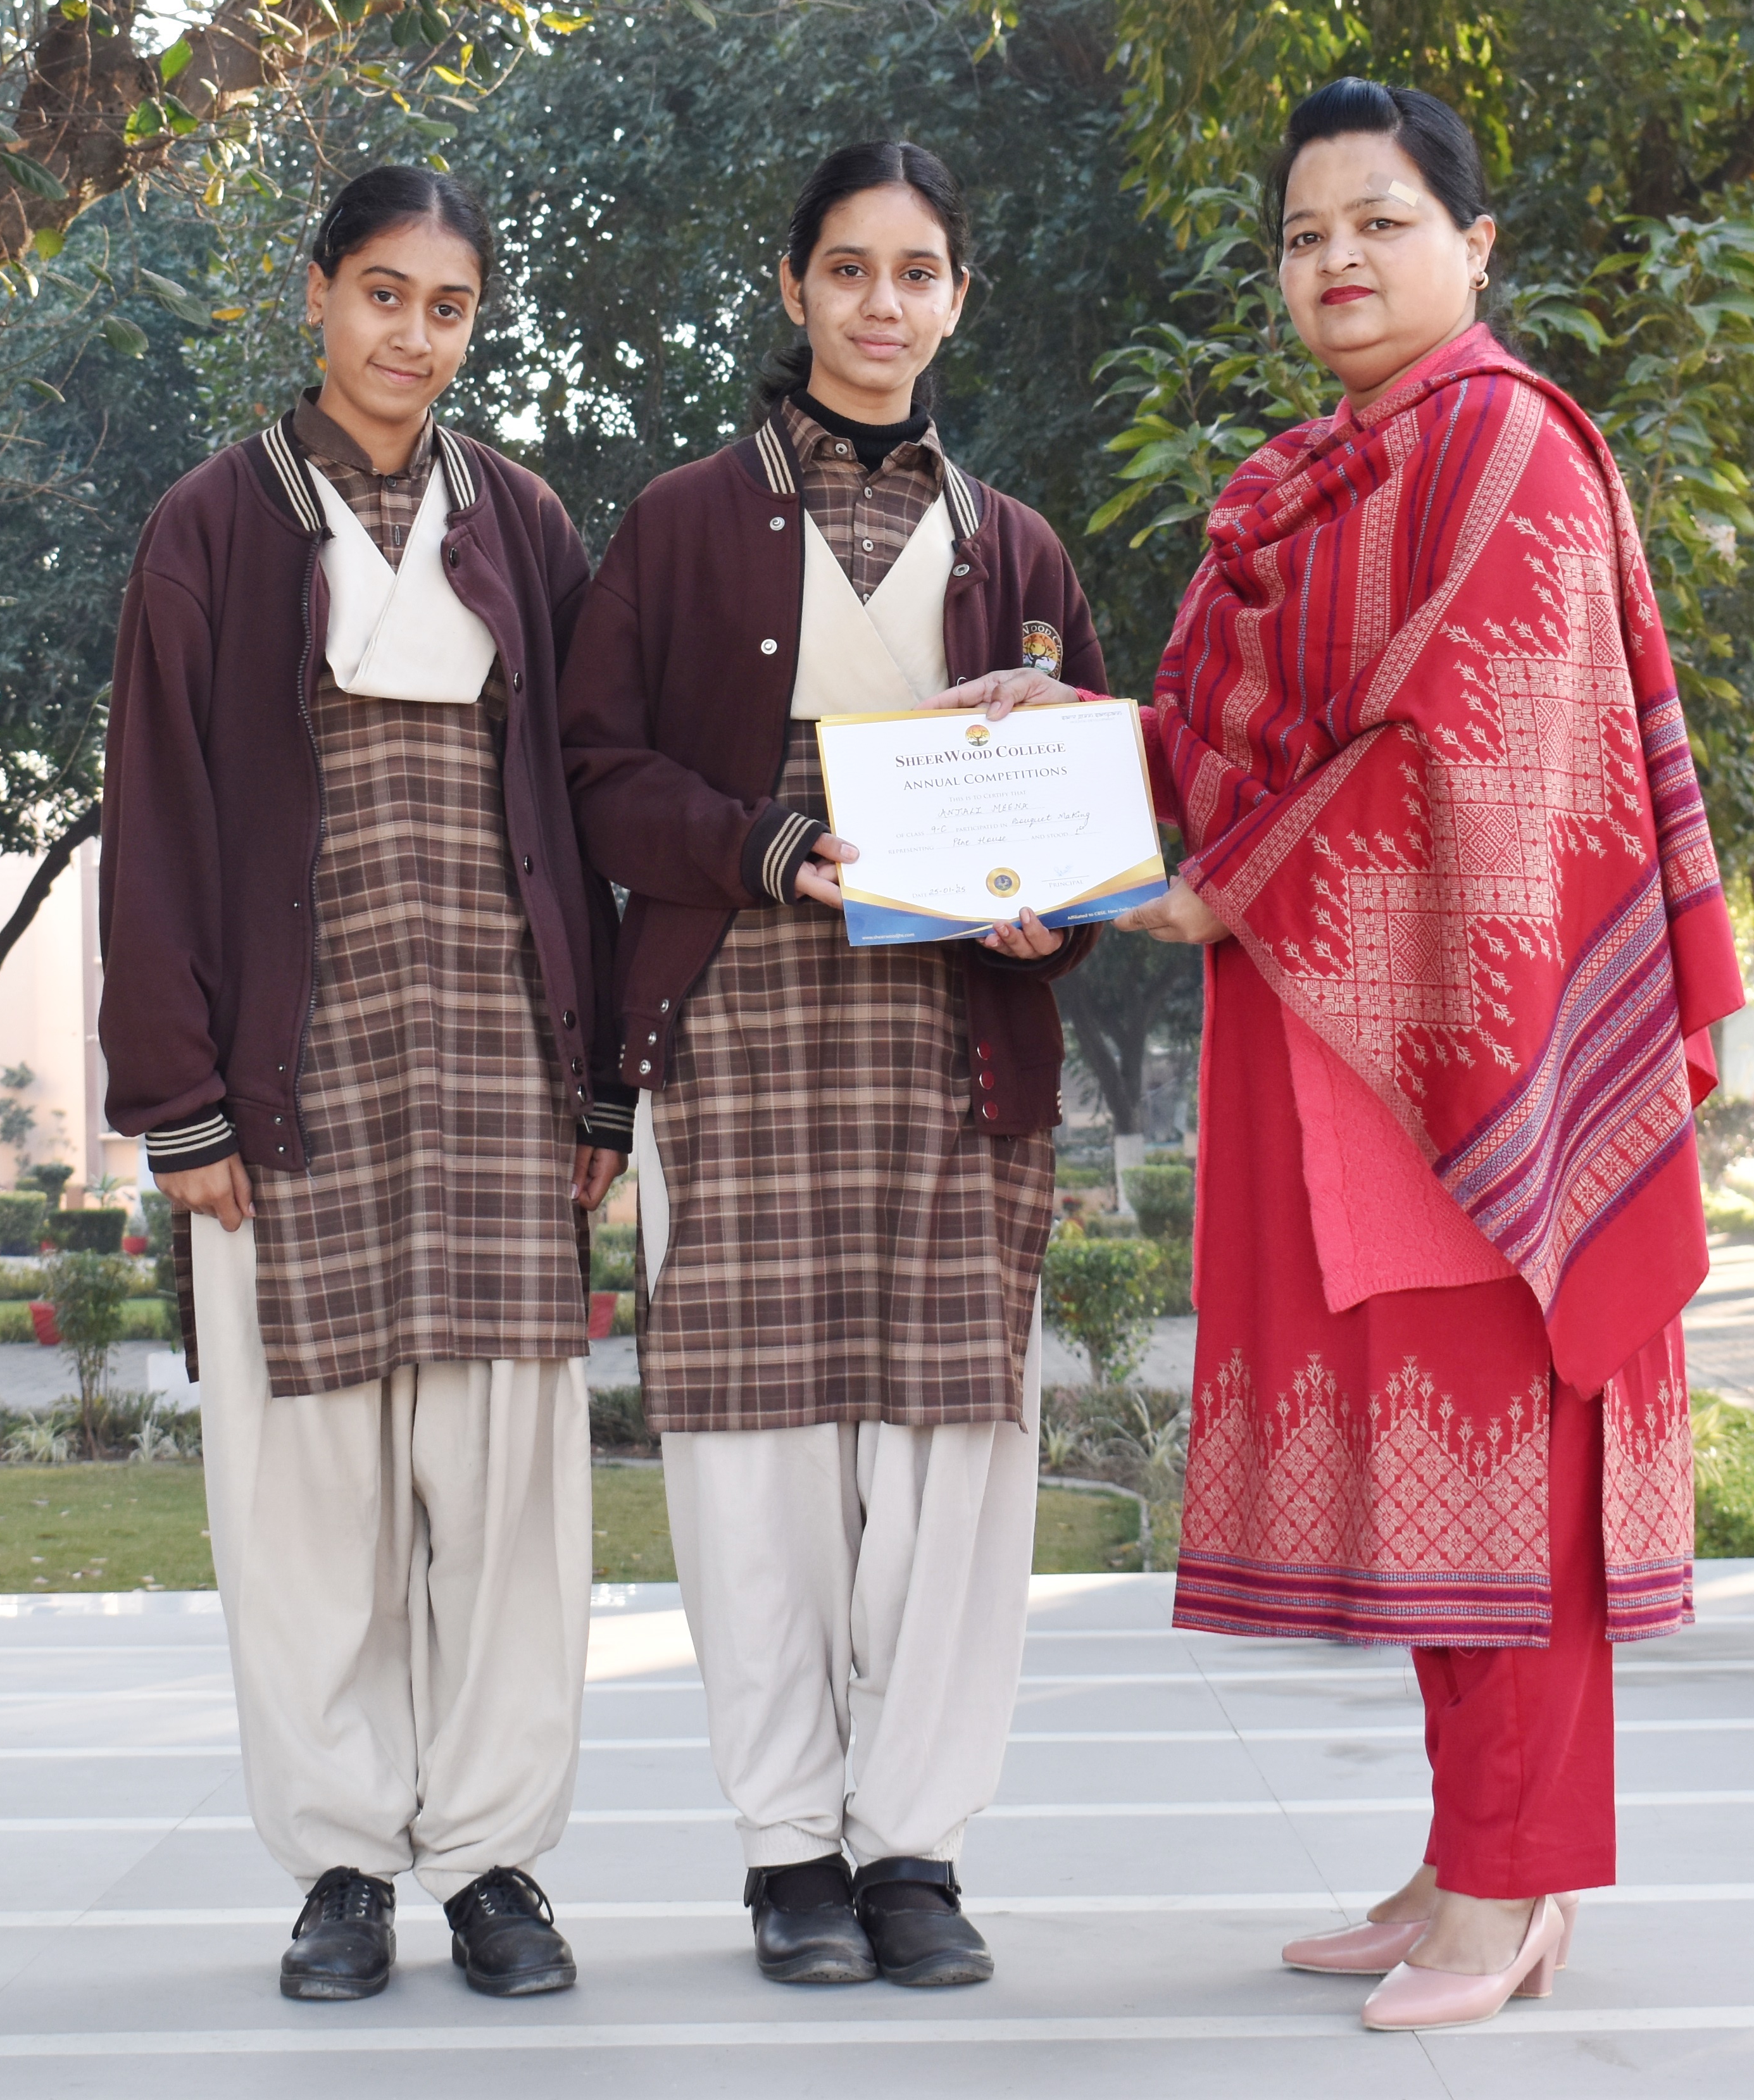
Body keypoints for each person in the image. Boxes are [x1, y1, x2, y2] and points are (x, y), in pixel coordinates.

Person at [1107, 79, 1738, 2027]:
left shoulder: (1512, 454)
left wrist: (1235, 884)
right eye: (1304, 234)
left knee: (1506, 1468)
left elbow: (1470, 745)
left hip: (1484, 1055)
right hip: (1330, 1041)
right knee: (1423, 1474)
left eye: (1379, 221)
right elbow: (1195, 741)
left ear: (1476, 245)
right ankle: (1462, 1852)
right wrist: (1028, 764)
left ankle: (1520, 1888)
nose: (1337, 261)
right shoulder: (1311, 481)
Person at [562, 139, 1105, 1992]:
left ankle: (917, 1851)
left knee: (956, 1445)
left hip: (957, 1048)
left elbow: (1091, 808)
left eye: (921, 272)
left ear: (960, 298)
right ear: (791, 288)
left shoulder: (1022, 547)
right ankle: (792, 1847)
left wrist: (1059, 914)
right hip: (740, 1037)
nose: (885, 306)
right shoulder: (681, 523)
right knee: (758, 1447)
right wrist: (774, 850)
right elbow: (598, 773)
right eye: (851, 270)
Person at [100, 165, 627, 2003]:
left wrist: (604, 1090)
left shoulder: (532, 524)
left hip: (498, 1068)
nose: (414, 335)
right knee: (307, 1497)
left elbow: (582, 811)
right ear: (316, 294)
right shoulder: (214, 525)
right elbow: (157, 818)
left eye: (450, 306)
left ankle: (492, 1860)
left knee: (503, 1496)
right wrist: (181, 1098)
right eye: (384, 295)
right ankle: (340, 1861)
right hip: (295, 1089)